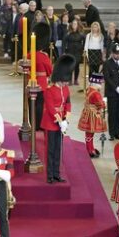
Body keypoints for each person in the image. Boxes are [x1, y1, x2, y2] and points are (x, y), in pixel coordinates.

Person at [42, 55, 74, 184]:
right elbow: (50, 108)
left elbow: (68, 104)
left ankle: (57, 173)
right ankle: (50, 174)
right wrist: (60, 121)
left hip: (61, 123)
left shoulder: (65, 88)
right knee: (50, 149)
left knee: (58, 149)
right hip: (51, 123)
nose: (67, 83)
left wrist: (66, 119)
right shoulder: (49, 90)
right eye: (65, 80)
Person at [78, 73, 107, 158]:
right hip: (93, 115)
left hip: (87, 113)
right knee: (91, 133)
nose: (101, 84)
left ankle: (89, 148)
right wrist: (104, 103)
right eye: (101, 83)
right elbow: (100, 105)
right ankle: (90, 150)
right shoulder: (96, 93)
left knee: (88, 133)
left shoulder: (88, 89)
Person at [33, 22, 53, 129]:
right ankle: (39, 124)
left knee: (32, 104)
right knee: (40, 105)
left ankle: (33, 123)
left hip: (31, 82)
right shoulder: (44, 56)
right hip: (41, 83)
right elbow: (50, 71)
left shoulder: (29, 54)